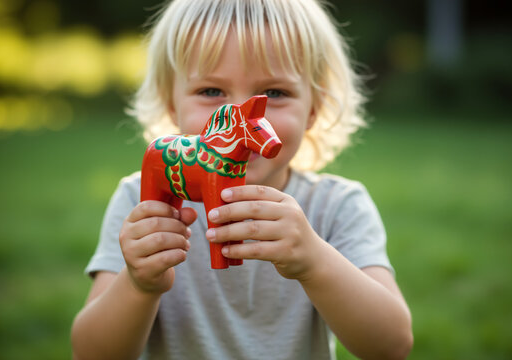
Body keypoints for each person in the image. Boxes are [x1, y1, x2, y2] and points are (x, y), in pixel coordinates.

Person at [71, 0, 413, 359]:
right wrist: (138, 285)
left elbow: (391, 346)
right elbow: (90, 353)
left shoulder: (337, 207)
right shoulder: (142, 205)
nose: (235, 119)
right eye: (212, 92)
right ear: (173, 106)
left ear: (313, 110)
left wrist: (315, 261)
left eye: (274, 94)